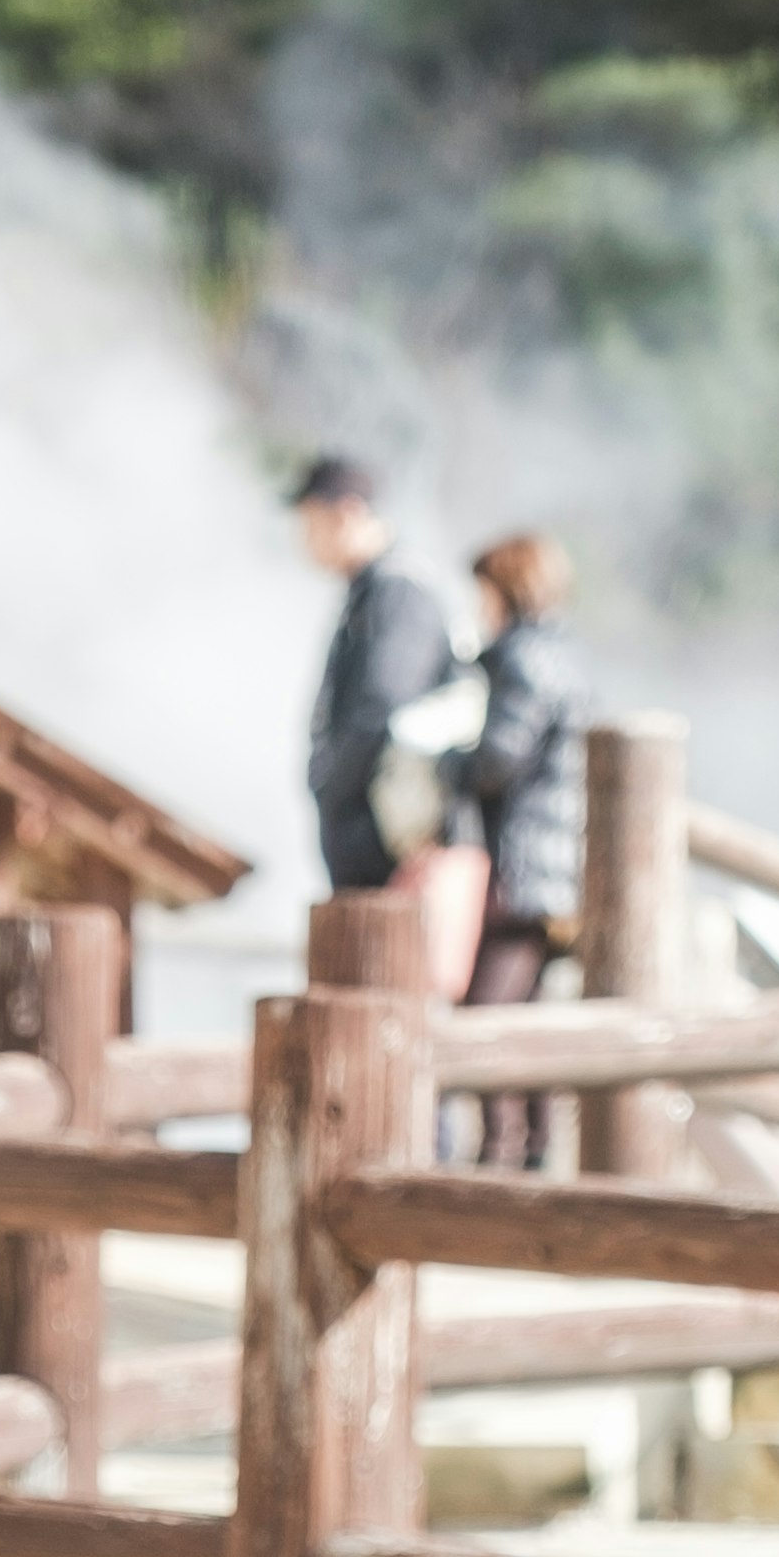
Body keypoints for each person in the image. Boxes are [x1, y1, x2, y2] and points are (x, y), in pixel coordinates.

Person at [462, 527, 583, 1165]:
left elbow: (498, 759)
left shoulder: (522, 658)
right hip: (555, 866)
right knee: (527, 1013)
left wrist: (444, 759)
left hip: (524, 863)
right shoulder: (565, 654)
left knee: (489, 1013)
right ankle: (532, 1154)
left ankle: (499, 1157)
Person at [291, 453, 462, 895]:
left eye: (310, 522)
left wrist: (330, 783)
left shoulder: (397, 591)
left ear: (346, 513)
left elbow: (382, 701)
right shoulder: (371, 590)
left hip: (382, 837)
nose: (303, 540)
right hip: (367, 826)